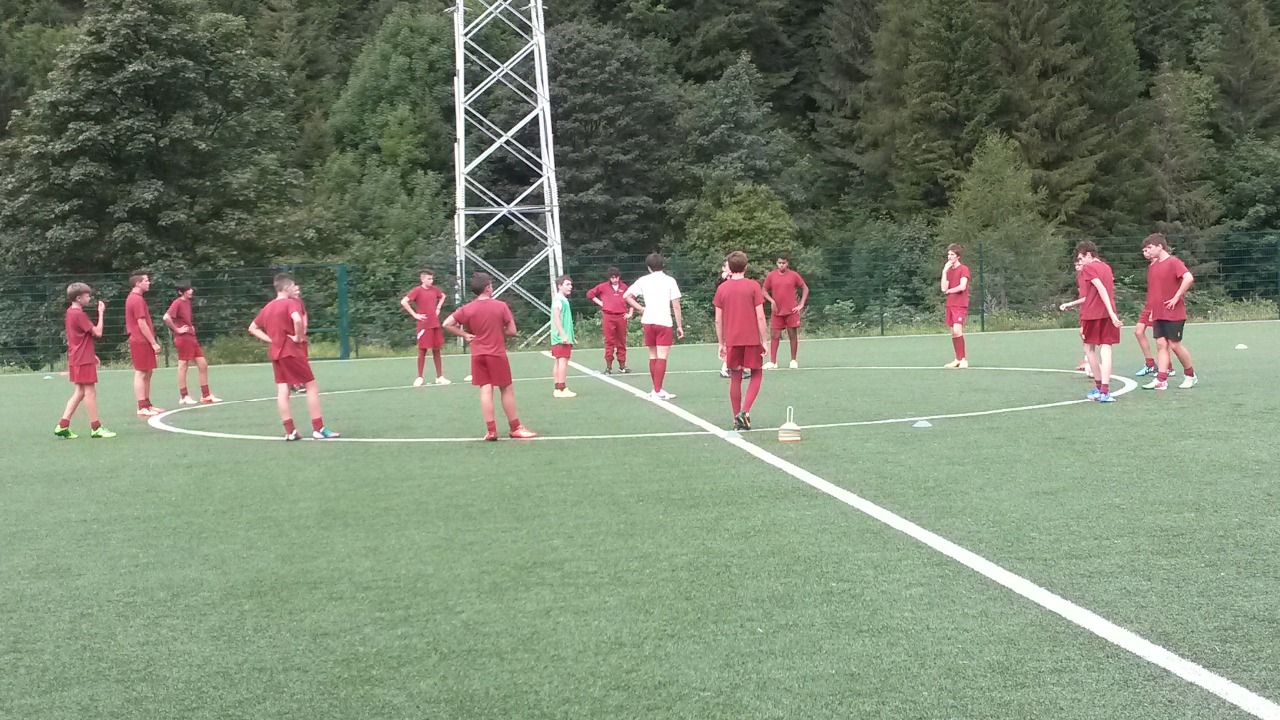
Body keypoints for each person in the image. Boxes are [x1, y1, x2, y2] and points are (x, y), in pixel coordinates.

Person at [442, 272, 537, 440]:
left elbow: (447, 323)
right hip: (496, 354)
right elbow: (512, 331)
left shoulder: (467, 308)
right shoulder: (500, 306)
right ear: (487, 288)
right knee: (506, 388)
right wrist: (498, 331)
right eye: (491, 285)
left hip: (478, 355)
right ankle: (515, 427)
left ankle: (491, 431)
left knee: (485, 390)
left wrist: (465, 335)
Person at [248, 274, 340, 440]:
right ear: (285, 288)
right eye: (292, 286)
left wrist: (271, 340)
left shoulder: (268, 307)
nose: (295, 289)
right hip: (291, 352)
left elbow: (252, 327)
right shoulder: (290, 303)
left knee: (283, 389)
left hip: (276, 353)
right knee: (311, 386)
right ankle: (318, 428)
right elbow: (297, 320)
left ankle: (290, 431)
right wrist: (297, 337)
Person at [714, 251, 769, 430]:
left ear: (729, 268)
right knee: (757, 373)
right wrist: (764, 340)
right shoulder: (753, 286)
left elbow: (718, 319)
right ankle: (744, 412)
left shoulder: (722, 288)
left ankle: (735, 418)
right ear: (746, 266)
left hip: (732, 339)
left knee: (735, 376)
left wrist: (721, 343)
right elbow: (760, 316)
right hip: (751, 338)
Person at [54, 283, 116, 439]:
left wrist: (91, 354)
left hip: (76, 356)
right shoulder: (79, 314)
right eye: (87, 296)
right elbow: (98, 332)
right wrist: (101, 313)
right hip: (83, 358)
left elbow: (79, 336)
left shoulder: (70, 312)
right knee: (90, 392)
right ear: (78, 298)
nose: (89, 298)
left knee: (80, 392)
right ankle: (96, 427)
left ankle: (62, 425)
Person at [1141, 234, 1198, 390]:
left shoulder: (1173, 262)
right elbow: (1153, 291)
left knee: (1174, 345)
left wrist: (1176, 297)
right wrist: (1151, 310)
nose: (1148, 251)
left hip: (1174, 312)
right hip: (1158, 312)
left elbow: (1188, 278)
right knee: (1161, 344)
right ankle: (1161, 379)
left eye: (1150, 248)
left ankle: (1190, 375)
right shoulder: (1153, 266)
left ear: (1160, 247)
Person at [623, 253, 684, 400]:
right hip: (664, 321)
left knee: (652, 355)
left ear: (649, 267)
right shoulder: (670, 281)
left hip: (648, 320)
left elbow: (627, 296)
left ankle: (656, 388)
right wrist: (679, 325)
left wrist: (641, 308)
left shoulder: (643, 280)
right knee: (662, 356)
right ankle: (657, 390)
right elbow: (676, 305)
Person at [1075, 242, 1123, 402]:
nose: (1081, 262)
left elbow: (1101, 289)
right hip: (1107, 314)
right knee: (1106, 348)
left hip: (1092, 314)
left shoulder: (1089, 268)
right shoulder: (1107, 267)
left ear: (1089, 255)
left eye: (1081, 258)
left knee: (1089, 349)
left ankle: (1099, 387)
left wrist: (1111, 313)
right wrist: (1112, 313)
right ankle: (1104, 390)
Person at [162, 281, 222, 406]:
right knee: (183, 366)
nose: (191, 291)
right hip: (183, 339)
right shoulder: (177, 302)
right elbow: (166, 317)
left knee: (203, 364)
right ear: (181, 292)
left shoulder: (187, 302)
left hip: (191, 338)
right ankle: (184, 396)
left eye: (190, 288)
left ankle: (206, 395)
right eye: (188, 289)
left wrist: (191, 327)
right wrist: (177, 330)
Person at [399, 269, 451, 387]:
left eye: (432, 278)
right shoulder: (417, 291)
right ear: (422, 279)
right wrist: (415, 315)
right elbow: (404, 301)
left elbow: (443, 296)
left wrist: (438, 308)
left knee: (436, 349)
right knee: (422, 350)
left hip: (435, 324)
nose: (431, 281)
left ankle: (439, 376)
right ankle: (419, 377)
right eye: (429, 278)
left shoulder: (434, 290)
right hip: (424, 325)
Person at [125, 272, 164, 417]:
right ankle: (141, 406)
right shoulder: (136, 299)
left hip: (143, 341)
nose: (149, 283)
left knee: (148, 371)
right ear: (137, 283)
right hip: (139, 340)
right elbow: (141, 322)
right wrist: (153, 342)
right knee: (141, 372)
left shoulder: (137, 298)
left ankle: (147, 404)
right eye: (146, 281)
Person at [762, 252, 809, 369]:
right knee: (774, 335)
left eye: (783, 263)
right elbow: (764, 290)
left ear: (787, 263)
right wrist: (772, 301)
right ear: (776, 263)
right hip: (777, 311)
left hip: (791, 310)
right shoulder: (771, 275)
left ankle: (793, 360)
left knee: (792, 334)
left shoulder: (793, 275)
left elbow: (805, 288)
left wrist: (801, 304)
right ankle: (773, 362)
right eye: (779, 263)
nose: (781, 265)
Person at [585, 267, 631, 374]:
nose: (615, 280)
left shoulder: (624, 287)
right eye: (613, 278)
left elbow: (632, 299)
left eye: (617, 277)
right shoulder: (603, 287)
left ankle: (622, 365)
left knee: (621, 341)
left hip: (621, 316)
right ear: (609, 278)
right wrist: (601, 303)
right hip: (608, 316)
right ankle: (608, 366)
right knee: (609, 341)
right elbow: (590, 294)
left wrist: (630, 313)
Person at [1059, 257, 1093, 379]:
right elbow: (1081, 295)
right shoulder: (1079, 277)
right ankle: (1088, 359)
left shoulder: (1091, 276)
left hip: (1092, 308)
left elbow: (1089, 297)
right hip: (1084, 309)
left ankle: (1090, 361)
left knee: (1085, 333)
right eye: (1076, 265)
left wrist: (1070, 304)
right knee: (1084, 334)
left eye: (1079, 264)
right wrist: (1074, 305)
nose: (1077, 267)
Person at [939, 245, 970, 368]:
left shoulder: (964, 269)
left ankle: (963, 359)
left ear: (958, 256)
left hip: (960, 304)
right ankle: (957, 359)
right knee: (953, 333)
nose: (949, 257)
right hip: (950, 304)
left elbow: (962, 286)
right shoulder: (949, 271)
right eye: (948, 254)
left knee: (957, 330)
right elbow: (943, 288)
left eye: (952, 254)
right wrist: (944, 271)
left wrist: (950, 291)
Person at [550, 275, 577, 398]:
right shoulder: (558, 300)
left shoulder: (562, 300)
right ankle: (561, 388)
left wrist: (570, 336)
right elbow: (556, 318)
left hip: (562, 337)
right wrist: (563, 335)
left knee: (559, 360)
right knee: (562, 361)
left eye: (570, 284)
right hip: (560, 337)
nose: (570, 287)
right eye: (567, 284)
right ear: (560, 286)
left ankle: (558, 387)